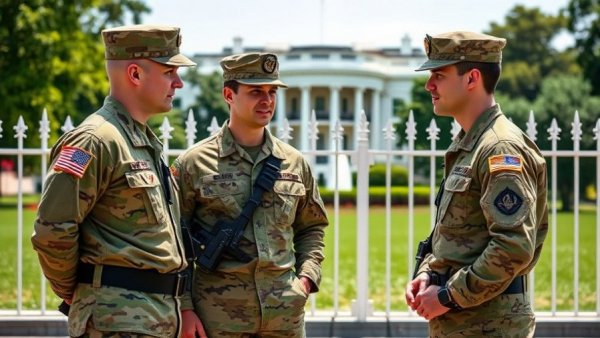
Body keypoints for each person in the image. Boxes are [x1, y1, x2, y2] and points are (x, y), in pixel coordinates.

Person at [31, 24, 200, 337]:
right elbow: (52, 229)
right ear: (134, 74)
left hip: (154, 319)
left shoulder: (139, 141)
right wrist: (77, 291)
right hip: (117, 322)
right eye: (169, 72)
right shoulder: (94, 140)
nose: (177, 83)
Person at [172, 52, 329, 338]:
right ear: (228, 94)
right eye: (255, 91)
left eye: (272, 91)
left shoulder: (294, 162)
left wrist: (306, 278)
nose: (267, 100)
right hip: (217, 317)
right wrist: (184, 308)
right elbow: (174, 241)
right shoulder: (194, 164)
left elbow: (312, 226)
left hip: (284, 315)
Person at [404, 31, 548, 337]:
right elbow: (460, 234)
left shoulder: (500, 148)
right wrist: (429, 271)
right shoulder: (470, 144)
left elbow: (512, 247)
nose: (429, 85)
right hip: (465, 324)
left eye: (439, 75)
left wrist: (447, 296)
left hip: (490, 326)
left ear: (471, 79)